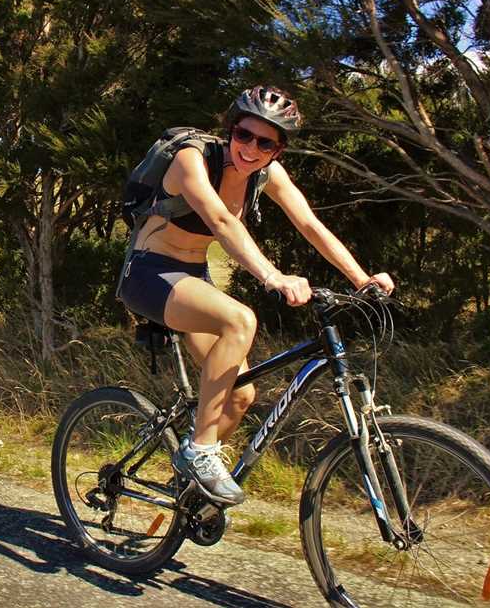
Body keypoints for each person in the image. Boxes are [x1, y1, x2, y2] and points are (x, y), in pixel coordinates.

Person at [118, 86, 394, 504]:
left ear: (278, 150)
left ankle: (189, 490)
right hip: (149, 272)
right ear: (231, 129)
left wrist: (362, 279)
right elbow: (222, 223)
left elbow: (310, 226)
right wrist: (273, 275)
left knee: (242, 394)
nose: (251, 148)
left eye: (266, 143)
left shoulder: (267, 175)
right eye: (244, 135)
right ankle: (201, 450)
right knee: (241, 320)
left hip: (193, 276)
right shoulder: (192, 159)